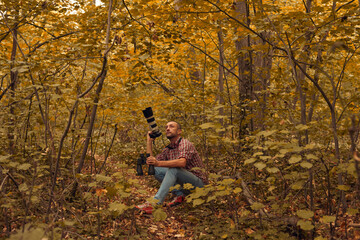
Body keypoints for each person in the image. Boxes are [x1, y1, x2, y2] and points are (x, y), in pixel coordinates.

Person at [136, 121, 207, 214]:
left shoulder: (185, 143)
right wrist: (149, 142)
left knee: (174, 168)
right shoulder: (168, 149)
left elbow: (182, 163)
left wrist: (158, 163)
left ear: (179, 131)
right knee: (156, 169)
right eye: (166, 127)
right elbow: (152, 163)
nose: (167, 128)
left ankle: (155, 204)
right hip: (184, 185)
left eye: (171, 126)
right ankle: (180, 195)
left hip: (199, 185)